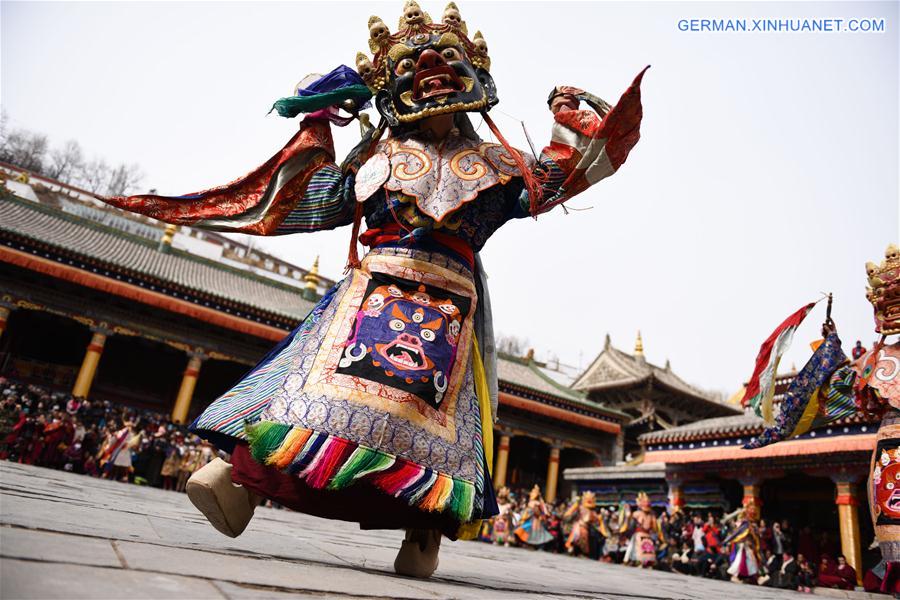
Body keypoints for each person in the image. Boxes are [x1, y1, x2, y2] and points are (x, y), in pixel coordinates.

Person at [97, 0, 646, 579]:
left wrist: (571, 116)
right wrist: (317, 121)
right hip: (369, 293)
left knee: (433, 423)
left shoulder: (500, 163)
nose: (430, 66)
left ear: (476, 73)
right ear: (390, 85)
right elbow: (305, 201)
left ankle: (423, 531)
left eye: (446, 58)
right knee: (311, 394)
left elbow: (572, 168)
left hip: (449, 308)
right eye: (413, 62)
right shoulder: (375, 156)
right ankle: (243, 481)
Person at [621, 492, 664, 567]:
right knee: (637, 551)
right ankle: (637, 562)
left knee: (648, 553)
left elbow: (655, 528)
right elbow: (630, 525)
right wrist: (628, 517)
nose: (646, 504)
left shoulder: (651, 515)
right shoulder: (637, 514)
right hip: (639, 535)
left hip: (647, 536)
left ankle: (646, 563)